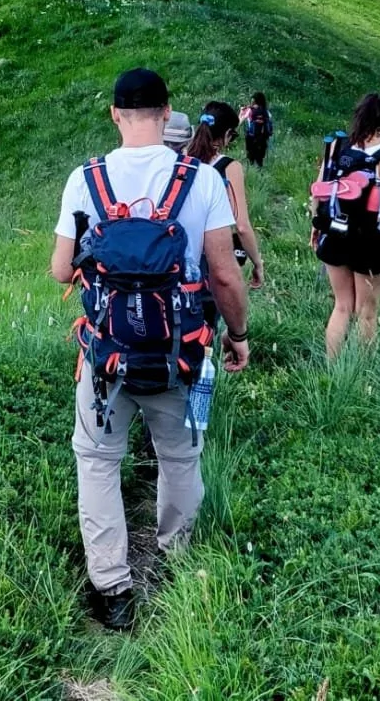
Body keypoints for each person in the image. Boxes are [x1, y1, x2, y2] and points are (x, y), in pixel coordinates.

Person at [51, 68, 250, 630]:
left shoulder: (83, 180)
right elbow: (224, 275)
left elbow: (61, 268)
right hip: (181, 354)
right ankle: (175, 559)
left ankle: (112, 587)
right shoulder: (202, 179)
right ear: (167, 113)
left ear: (115, 115)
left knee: (96, 462)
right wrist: (237, 337)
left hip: (106, 356)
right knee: (181, 458)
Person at [313, 93, 380, 359]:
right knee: (366, 312)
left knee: (341, 306)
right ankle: (360, 371)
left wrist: (318, 226)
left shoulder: (338, 147)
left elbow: (320, 193)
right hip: (370, 241)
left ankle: (332, 369)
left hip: (334, 234)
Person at [185, 102, 265, 290]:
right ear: (227, 134)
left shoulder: (180, 159)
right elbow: (242, 225)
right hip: (210, 258)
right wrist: (257, 263)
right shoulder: (229, 167)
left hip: (177, 256)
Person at [240, 92, 272, 167]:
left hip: (251, 135)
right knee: (260, 155)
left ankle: (251, 169)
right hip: (263, 136)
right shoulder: (266, 111)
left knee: (251, 154)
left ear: (254, 100)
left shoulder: (249, 110)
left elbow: (241, 120)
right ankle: (260, 169)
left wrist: (241, 112)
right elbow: (269, 123)